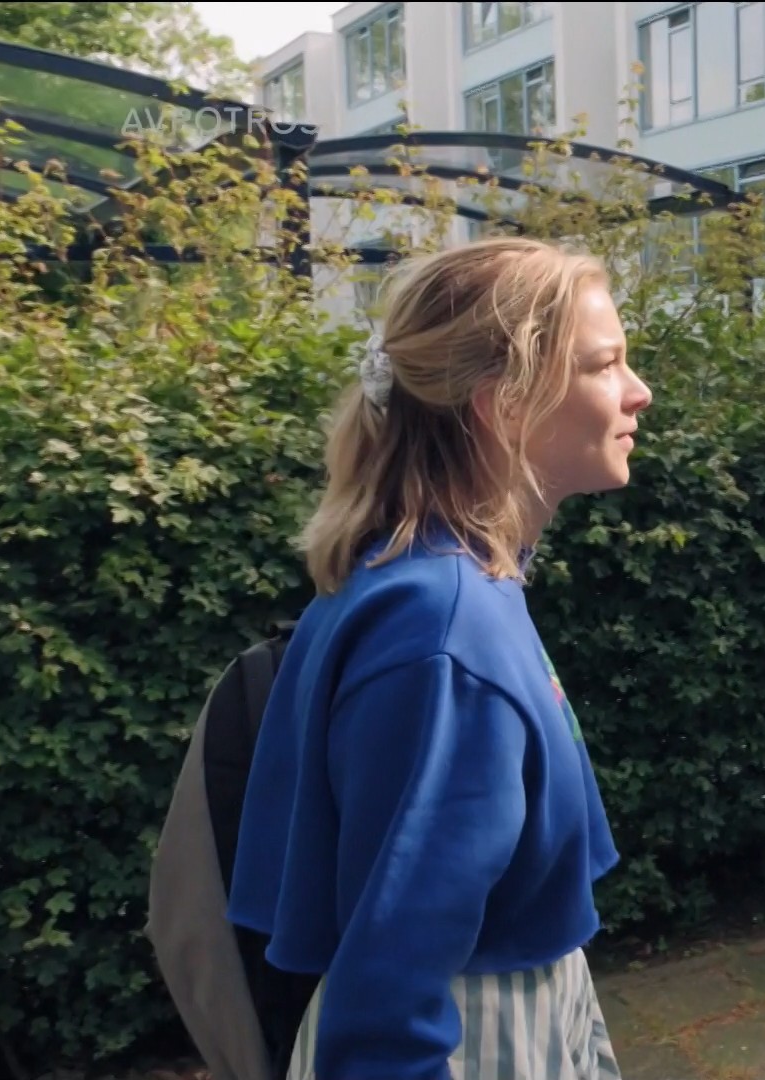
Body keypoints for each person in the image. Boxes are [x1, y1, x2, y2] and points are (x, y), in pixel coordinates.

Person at [227, 236, 651, 1080]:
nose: (637, 391)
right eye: (604, 365)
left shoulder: (445, 580)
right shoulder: (442, 631)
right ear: (506, 406)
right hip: (466, 1045)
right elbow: (388, 990)